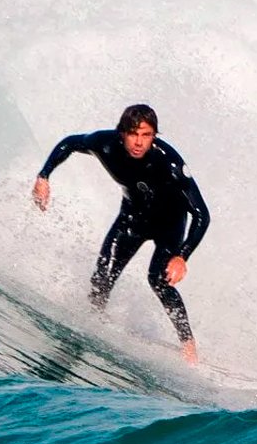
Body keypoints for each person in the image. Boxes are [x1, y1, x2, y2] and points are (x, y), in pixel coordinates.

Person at [32, 104, 210, 364]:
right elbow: (70, 143)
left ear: (154, 136)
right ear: (121, 133)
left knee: (158, 279)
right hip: (132, 220)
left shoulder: (169, 161)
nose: (139, 142)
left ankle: (189, 344)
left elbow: (202, 215)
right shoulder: (105, 144)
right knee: (102, 275)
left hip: (169, 224)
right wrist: (44, 176)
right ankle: (91, 324)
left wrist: (182, 256)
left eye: (146, 135)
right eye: (133, 134)